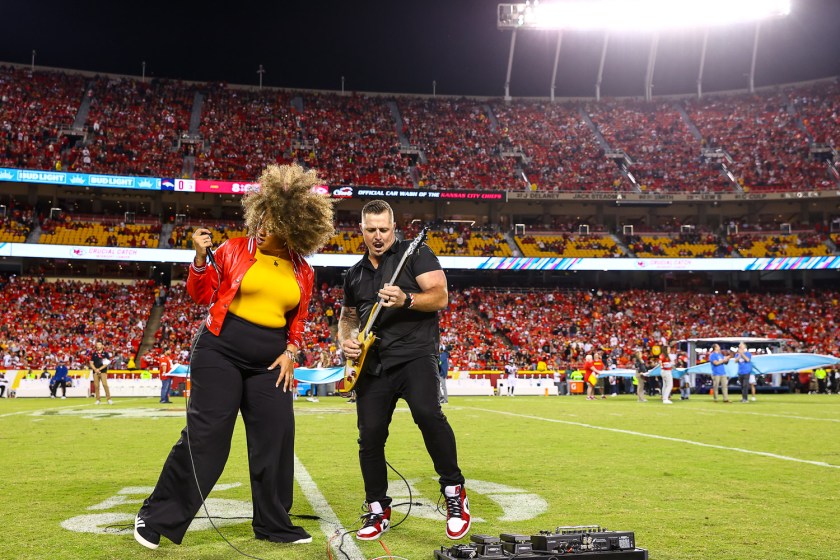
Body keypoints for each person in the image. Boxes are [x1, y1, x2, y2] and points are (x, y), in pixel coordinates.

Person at [134, 164, 335, 550]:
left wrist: (292, 352)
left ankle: (274, 524)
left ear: (294, 226)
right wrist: (198, 259)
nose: (263, 226)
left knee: (276, 437)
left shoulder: (303, 271)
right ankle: (157, 516)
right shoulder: (231, 249)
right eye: (262, 217)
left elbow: (299, 320)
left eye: (274, 221)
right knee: (208, 438)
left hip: (271, 362)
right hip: (219, 350)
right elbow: (202, 294)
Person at [338, 200, 470, 541]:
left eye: (384, 229)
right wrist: (347, 342)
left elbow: (439, 297)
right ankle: (377, 507)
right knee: (370, 438)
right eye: (371, 230)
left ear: (393, 227)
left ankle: (455, 492)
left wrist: (406, 299)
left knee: (428, 414)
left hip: (414, 356)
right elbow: (349, 316)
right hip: (372, 364)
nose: (378, 236)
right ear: (362, 232)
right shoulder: (354, 273)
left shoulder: (416, 255)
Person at [89, 341, 113, 405]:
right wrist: (95, 369)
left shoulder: (105, 354)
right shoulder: (94, 354)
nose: (98, 346)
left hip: (103, 372)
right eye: (97, 345)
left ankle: (109, 399)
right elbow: (91, 363)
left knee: (105, 385)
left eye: (99, 345)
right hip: (95, 372)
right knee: (96, 386)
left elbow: (106, 364)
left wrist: (99, 369)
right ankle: (98, 399)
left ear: (102, 346)